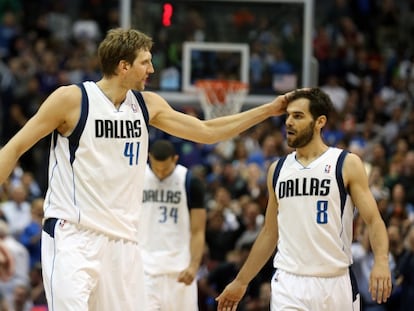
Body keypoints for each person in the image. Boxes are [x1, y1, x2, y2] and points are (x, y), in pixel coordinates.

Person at [0, 27, 293, 311]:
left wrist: (268, 109)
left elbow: (207, 131)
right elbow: (13, 148)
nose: (152, 69)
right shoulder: (72, 100)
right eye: (145, 62)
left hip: (124, 243)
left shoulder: (146, 105)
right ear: (123, 66)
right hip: (73, 235)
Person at [216, 88, 392, 311]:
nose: (289, 121)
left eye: (298, 116)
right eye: (288, 115)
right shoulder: (277, 169)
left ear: (320, 122)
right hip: (289, 282)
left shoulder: (346, 163)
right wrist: (241, 281)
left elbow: (374, 220)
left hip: (335, 281)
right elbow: (270, 232)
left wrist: (382, 261)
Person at [139, 139, 206, 311]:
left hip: (180, 270)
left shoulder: (190, 182)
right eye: (156, 168)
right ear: (148, 158)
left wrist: (194, 266)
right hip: (145, 269)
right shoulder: (137, 178)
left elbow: (198, 230)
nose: (160, 173)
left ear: (175, 159)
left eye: (165, 169)